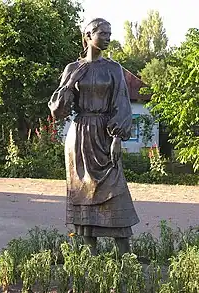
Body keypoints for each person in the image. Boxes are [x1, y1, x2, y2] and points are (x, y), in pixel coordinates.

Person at [48, 18, 139, 255]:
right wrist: (68, 84)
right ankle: (91, 256)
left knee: (115, 190)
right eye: (104, 33)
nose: (109, 37)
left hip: (105, 134)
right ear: (88, 36)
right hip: (78, 136)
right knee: (83, 193)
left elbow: (122, 102)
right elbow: (58, 112)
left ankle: (125, 256)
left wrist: (117, 137)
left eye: (110, 33)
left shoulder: (114, 69)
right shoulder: (72, 69)